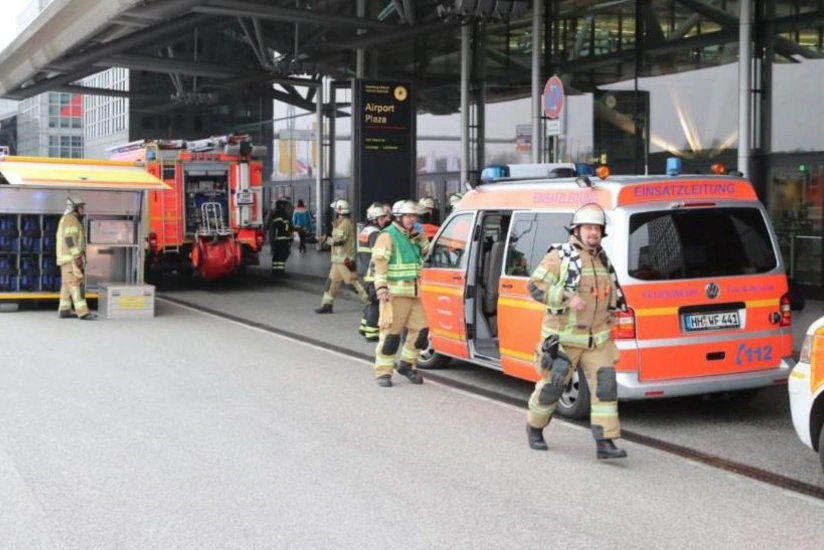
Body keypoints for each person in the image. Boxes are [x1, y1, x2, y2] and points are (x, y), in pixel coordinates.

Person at [524, 203, 628, 460]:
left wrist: (613, 316)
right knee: (552, 387)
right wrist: (566, 297)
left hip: (598, 340)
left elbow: (608, 296)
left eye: (597, 228)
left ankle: (605, 442)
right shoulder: (559, 256)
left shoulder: (602, 259)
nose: (593, 232)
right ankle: (534, 428)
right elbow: (535, 288)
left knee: (605, 387)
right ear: (577, 230)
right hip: (564, 340)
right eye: (589, 227)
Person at [371, 200, 431, 387]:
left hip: (415, 292)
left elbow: (428, 255)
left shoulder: (415, 235)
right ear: (399, 217)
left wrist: (423, 239)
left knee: (421, 331)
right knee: (391, 335)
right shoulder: (387, 236)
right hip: (394, 294)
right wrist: (381, 288)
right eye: (408, 216)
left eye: (414, 216)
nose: (412, 220)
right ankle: (383, 372)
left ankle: (407, 365)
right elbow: (379, 265)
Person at [315, 199, 369, 313]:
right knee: (331, 283)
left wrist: (325, 239)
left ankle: (370, 304)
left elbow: (339, 241)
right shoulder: (342, 222)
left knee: (354, 283)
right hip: (338, 260)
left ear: (339, 210)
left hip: (345, 260)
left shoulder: (344, 224)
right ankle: (327, 305)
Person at [56, 196, 95, 320]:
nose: (83, 209)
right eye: (81, 207)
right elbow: (70, 239)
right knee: (75, 283)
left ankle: (64, 310)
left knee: (66, 284)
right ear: (74, 208)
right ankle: (83, 312)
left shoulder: (69, 219)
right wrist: (77, 256)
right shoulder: (71, 219)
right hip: (70, 258)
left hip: (66, 258)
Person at [357, 202, 391, 342]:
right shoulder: (376, 234)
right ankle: (372, 332)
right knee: (376, 303)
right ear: (374, 219)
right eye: (382, 218)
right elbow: (379, 255)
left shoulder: (365, 231)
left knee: (371, 301)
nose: (385, 220)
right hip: (374, 274)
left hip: (366, 272)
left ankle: (364, 326)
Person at [266, 198, 292, 277]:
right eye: (285, 204)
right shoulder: (280, 212)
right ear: (282, 204)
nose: (286, 206)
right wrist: (287, 232)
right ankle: (280, 271)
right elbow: (280, 225)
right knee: (282, 254)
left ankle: (275, 271)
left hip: (278, 237)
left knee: (277, 255)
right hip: (282, 237)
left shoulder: (276, 212)